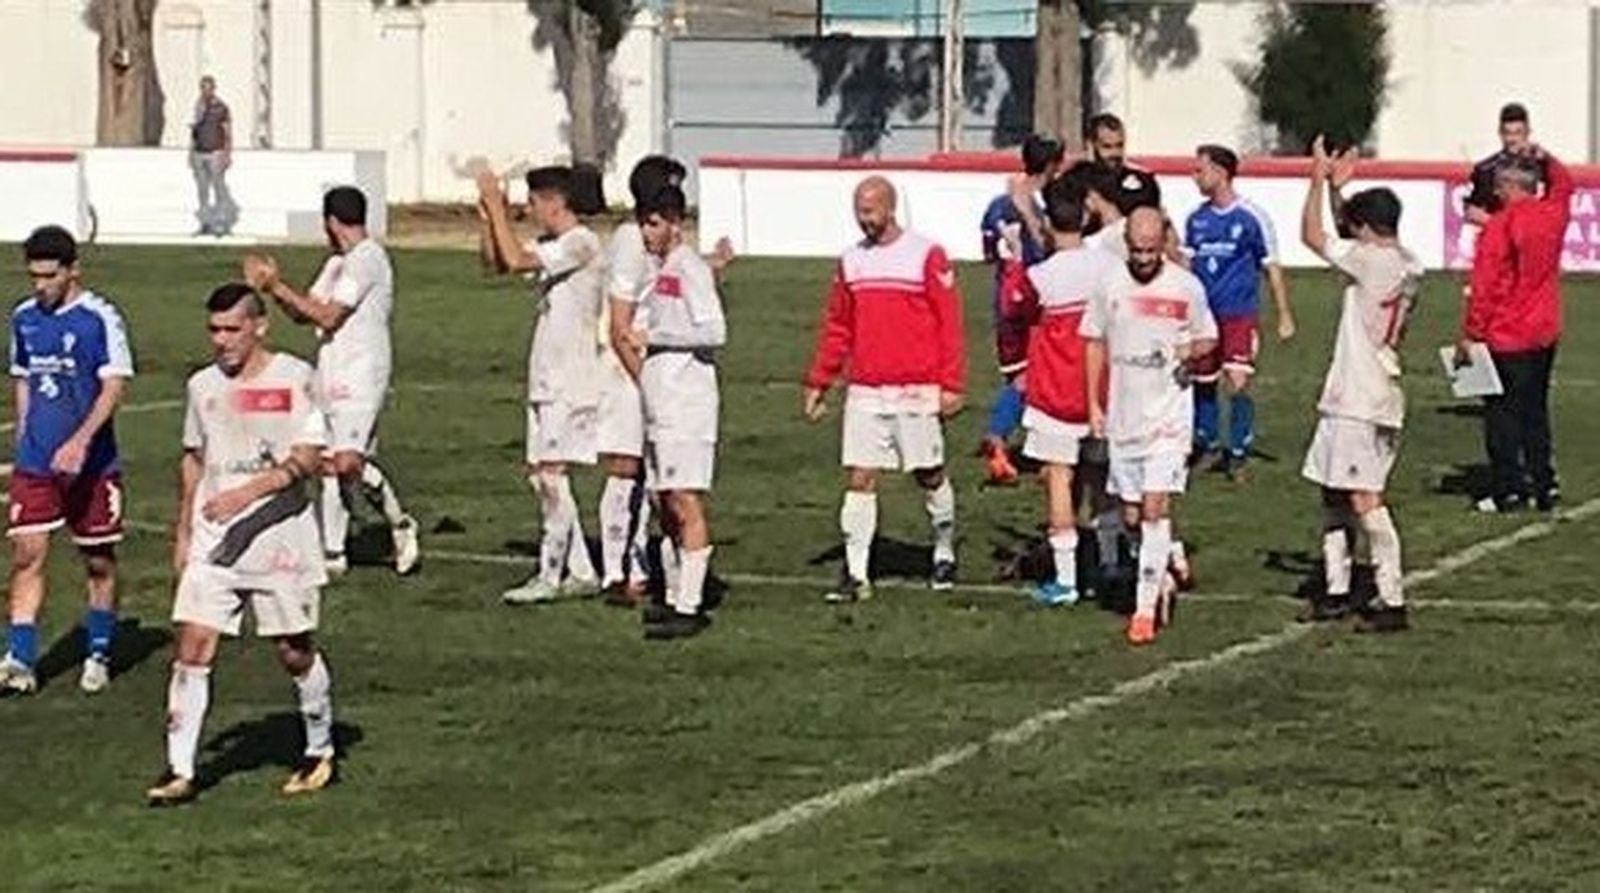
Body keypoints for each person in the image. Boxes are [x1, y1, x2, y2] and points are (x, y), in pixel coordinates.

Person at [145, 283, 336, 806]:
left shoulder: (295, 379)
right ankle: (180, 770)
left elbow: (308, 459)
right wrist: (183, 530)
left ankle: (319, 748)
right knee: (193, 645)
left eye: (232, 329)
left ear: (259, 327)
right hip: (216, 543)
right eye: (214, 330)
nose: (221, 341)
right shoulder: (201, 386)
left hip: (281, 540)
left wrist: (246, 493)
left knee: (293, 651)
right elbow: (193, 459)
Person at [804, 176, 967, 603]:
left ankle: (944, 548)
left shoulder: (925, 255)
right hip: (867, 389)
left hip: (915, 387)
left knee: (928, 474)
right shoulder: (851, 262)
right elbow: (838, 325)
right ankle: (857, 575)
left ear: (890, 208)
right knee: (860, 476)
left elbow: (948, 323)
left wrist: (951, 383)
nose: (865, 219)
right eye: (859, 210)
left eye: (871, 210)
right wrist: (820, 380)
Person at [243, 187, 420, 577]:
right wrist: (275, 292)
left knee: (346, 463)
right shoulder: (336, 264)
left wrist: (276, 287)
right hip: (330, 368)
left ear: (330, 222)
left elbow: (328, 317)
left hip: (361, 371)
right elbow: (308, 313)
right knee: (326, 463)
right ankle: (334, 553)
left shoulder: (368, 259)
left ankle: (401, 522)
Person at [0, 226, 133, 696]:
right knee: (26, 554)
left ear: (72, 269)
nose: (40, 286)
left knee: (97, 559)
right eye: (33, 276)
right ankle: (19, 656)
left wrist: (80, 441)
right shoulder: (24, 318)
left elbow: (114, 385)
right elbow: (24, 379)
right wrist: (25, 433)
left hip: (92, 465)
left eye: (49, 276)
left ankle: (97, 648)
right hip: (37, 461)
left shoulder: (100, 319)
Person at [1299, 137, 1420, 633]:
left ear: (1367, 230)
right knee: (1335, 493)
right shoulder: (1407, 262)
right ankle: (1336, 588)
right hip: (1377, 391)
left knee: (1364, 498)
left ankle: (1391, 597)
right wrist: (1336, 191)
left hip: (1359, 397)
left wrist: (1315, 176)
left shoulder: (1372, 262)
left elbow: (1312, 236)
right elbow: (1351, 233)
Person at [1083, 208, 1216, 646]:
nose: (1143, 259)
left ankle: (1143, 610)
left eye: (1151, 251)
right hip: (1125, 416)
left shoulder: (1185, 286)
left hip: (1169, 418)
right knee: (1133, 515)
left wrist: (1189, 352)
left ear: (1163, 244)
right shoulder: (1109, 284)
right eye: (1136, 251)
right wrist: (1094, 405)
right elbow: (1095, 342)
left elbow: (1208, 337)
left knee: (1155, 509)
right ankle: (1162, 571)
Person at [476, 166, 607, 603]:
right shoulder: (555, 245)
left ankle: (550, 576)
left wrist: (497, 206)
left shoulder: (581, 243)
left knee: (552, 475)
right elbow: (495, 263)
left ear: (555, 202)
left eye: (533, 202)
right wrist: (486, 218)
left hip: (571, 379)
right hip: (547, 376)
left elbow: (516, 260)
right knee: (541, 476)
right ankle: (583, 570)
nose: (529, 210)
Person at [611, 185, 726, 640]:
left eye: (654, 223)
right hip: (661, 405)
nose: (646, 232)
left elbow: (714, 330)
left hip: (687, 406)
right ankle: (676, 594)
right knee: (665, 502)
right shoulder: (663, 271)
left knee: (684, 498)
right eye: (642, 222)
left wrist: (656, 338)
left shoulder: (689, 268)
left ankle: (691, 605)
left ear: (675, 223)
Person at [1018, 179, 1118, 606]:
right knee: (1102, 479)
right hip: (1103, 391)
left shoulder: (1040, 276)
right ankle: (1111, 564)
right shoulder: (1109, 267)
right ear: (1084, 216)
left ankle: (1066, 580)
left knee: (1059, 479)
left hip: (1055, 394)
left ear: (1047, 222)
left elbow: (1015, 314)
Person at [1458, 146, 1572, 514]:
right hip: (1544, 331)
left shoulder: (1500, 227)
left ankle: (1509, 488)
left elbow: (1485, 285)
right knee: (1535, 411)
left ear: (1509, 185)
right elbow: (1565, 184)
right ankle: (1545, 482)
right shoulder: (1552, 214)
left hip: (1506, 334)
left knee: (1501, 414)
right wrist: (1544, 157)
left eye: (1498, 186)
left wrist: (1471, 334)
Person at [1185, 144, 1295, 479]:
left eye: (1200, 169)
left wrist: (1284, 313)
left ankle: (1237, 451)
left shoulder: (1251, 217)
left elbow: (1270, 266)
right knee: (1202, 379)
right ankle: (1206, 442)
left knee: (1237, 380)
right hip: (1203, 316)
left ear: (1220, 172)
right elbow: (1187, 267)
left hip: (1237, 313)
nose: (1195, 175)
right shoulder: (1196, 219)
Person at [978, 134, 1064, 485]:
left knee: (1018, 374)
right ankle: (1003, 437)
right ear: (1052, 166)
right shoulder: (1041, 204)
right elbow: (1044, 250)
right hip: (1033, 298)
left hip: (1004, 299)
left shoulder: (996, 204)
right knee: (1037, 376)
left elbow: (987, 251)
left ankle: (1012, 441)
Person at [1464, 103, 1539, 224]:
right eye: (1507, 133)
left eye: (1518, 133)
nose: (1511, 139)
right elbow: (1471, 211)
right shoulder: (1485, 170)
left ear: (1528, 133)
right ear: (1500, 133)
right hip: (1498, 240)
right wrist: (1496, 224)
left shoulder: (1542, 169)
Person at [189, 76, 236, 237]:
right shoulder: (198, 106)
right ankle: (205, 223)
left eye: (208, 88)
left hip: (215, 151)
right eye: (202, 88)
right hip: (200, 151)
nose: (205, 91)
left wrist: (227, 153)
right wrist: (191, 151)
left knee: (218, 188)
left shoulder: (221, 107)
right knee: (202, 190)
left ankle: (221, 223)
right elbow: (194, 131)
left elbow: (227, 132)